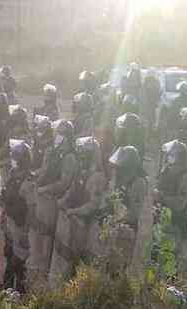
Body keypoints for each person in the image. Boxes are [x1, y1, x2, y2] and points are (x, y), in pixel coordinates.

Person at [50, 136, 107, 285]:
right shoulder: (82, 171)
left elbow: (92, 205)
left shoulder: (98, 177)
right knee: (67, 255)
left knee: (80, 259)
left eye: (84, 154)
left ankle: (76, 287)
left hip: (86, 225)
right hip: (73, 221)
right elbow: (72, 189)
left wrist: (74, 211)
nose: (81, 157)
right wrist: (62, 201)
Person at [30, 119, 77, 288]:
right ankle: (38, 268)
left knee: (48, 238)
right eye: (58, 133)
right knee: (39, 234)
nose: (58, 137)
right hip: (44, 198)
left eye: (61, 134)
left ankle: (44, 273)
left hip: (54, 202)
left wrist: (46, 189)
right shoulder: (55, 152)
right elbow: (45, 170)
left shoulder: (70, 157)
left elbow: (64, 182)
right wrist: (35, 175)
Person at [0, 140, 33, 292]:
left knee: (18, 260)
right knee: (9, 253)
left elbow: (31, 209)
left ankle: (18, 290)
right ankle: (8, 286)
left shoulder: (29, 180)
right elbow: (6, 195)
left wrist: (26, 231)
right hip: (10, 221)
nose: (13, 158)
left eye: (16, 156)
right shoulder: (13, 174)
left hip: (20, 225)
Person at [154, 140, 187, 278]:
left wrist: (162, 197)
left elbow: (181, 204)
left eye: (170, 154)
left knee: (172, 255)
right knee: (158, 250)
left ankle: (169, 284)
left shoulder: (185, 176)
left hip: (177, 220)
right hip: (162, 216)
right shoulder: (166, 169)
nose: (167, 156)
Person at [107, 146, 147, 276]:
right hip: (117, 223)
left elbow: (134, 213)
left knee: (119, 264)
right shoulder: (123, 178)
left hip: (127, 228)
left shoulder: (138, 183)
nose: (117, 170)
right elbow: (115, 198)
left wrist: (116, 220)